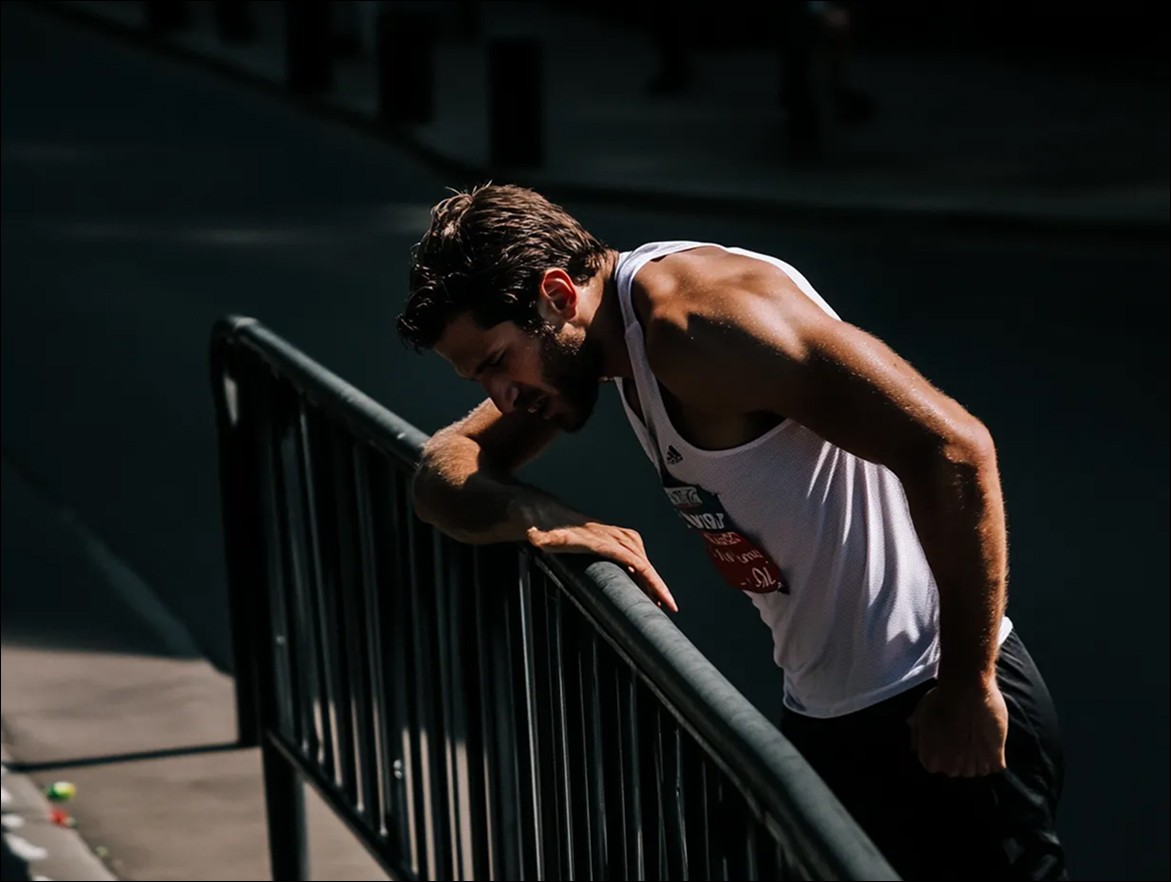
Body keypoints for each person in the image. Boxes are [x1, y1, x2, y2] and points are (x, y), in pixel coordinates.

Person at [396, 183, 1067, 881]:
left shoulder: (701, 326)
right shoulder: (594, 347)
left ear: (558, 293)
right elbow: (440, 476)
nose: (500, 398)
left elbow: (953, 449)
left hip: (933, 700)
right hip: (829, 712)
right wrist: (548, 520)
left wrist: (965, 683)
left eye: (496, 363)